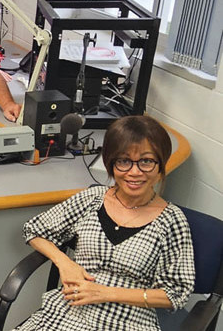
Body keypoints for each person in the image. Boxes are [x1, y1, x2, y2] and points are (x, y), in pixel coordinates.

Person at [13, 115, 195, 331]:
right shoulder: (92, 200)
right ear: (111, 163)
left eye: (146, 161)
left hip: (129, 321)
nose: (134, 172)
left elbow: (175, 293)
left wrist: (106, 293)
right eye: (124, 161)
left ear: (160, 165)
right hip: (68, 313)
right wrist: (65, 263)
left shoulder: (171, 221)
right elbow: (35, 229)